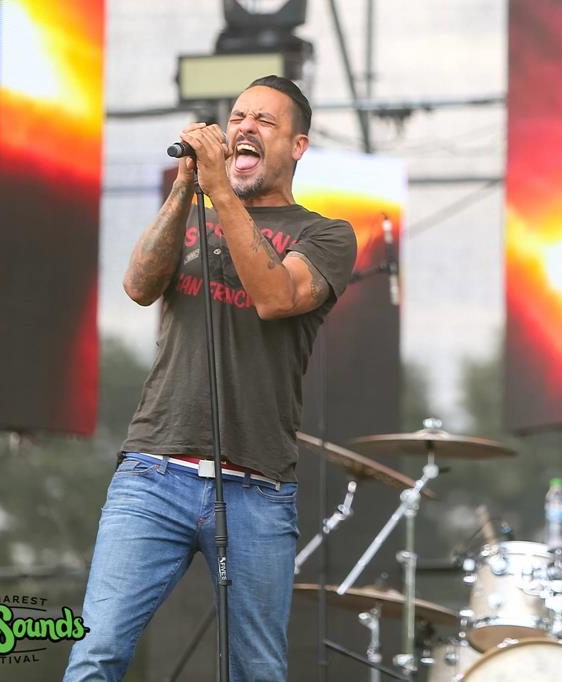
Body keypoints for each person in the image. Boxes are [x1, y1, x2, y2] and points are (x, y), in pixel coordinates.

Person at [64, 75, 357, 681]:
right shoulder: (192, 212)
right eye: (238, 117)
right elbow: (138, 286)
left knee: (258, 670)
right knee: (97, 651)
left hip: (257, 487)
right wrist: (185, 187)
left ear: (297, 146)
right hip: (153, 471)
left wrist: (220, 191)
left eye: (264, 121)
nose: (244, 127)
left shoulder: (325, 234)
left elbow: (276, 297)